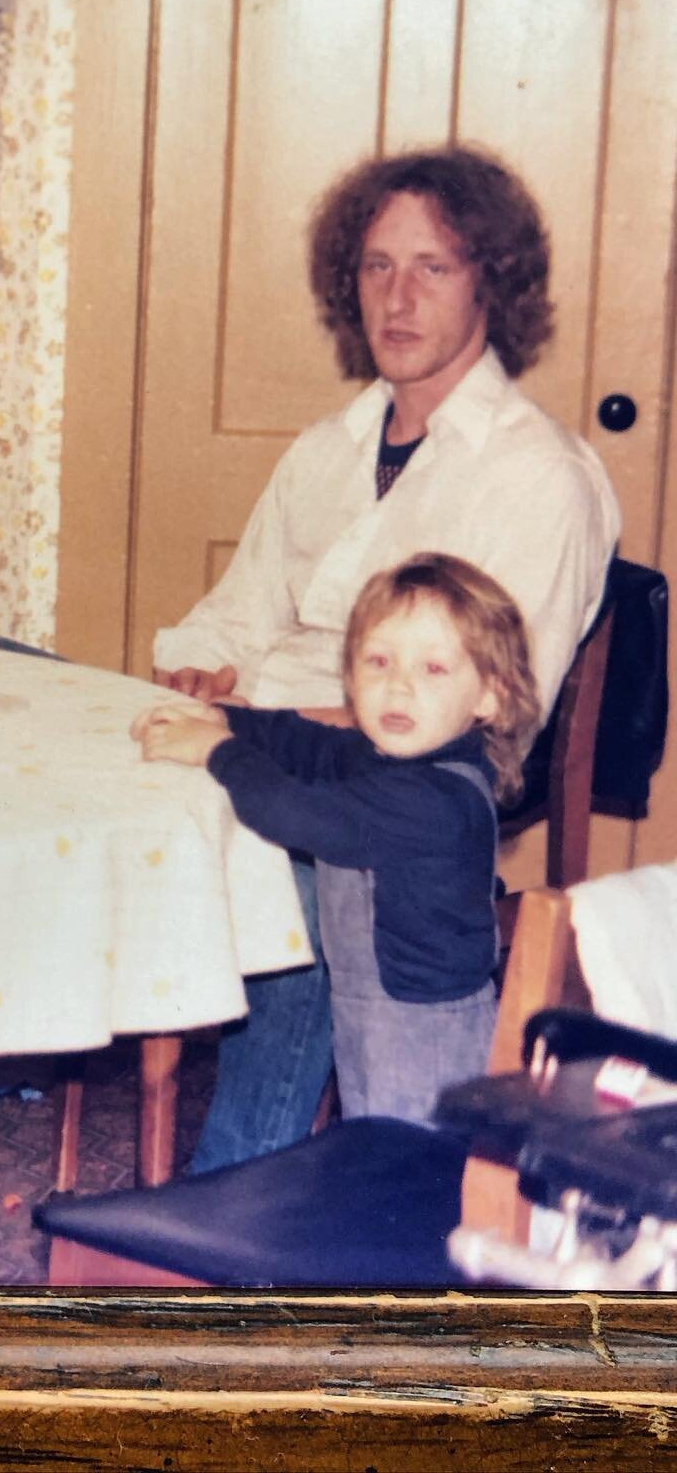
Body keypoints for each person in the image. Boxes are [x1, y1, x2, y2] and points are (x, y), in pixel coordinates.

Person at [153, 144, 621, 1170]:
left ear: (491, 282)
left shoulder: (539, 476)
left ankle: (242, 1182)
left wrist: (251, 746)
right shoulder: (327, 449)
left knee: (302, 863)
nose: (397, 297)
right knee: (61, 713)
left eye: (434, 267)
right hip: (267, 744)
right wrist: (200, 678)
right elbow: (234, 617)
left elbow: (486, 715)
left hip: (391, 801)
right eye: (376, 266)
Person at [135, 553, 541, 1125]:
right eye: (378, 661)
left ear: (489, 699)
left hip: (425, 1036)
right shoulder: (387, 760)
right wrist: (224, 718)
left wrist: (217, 751)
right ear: (350, 678)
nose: (398, 686)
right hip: (374, 1015)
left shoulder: (432, 801)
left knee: (410, 1165)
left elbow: (291, 812)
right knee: (373, 1143)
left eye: (433, 670)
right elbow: (309, 743)